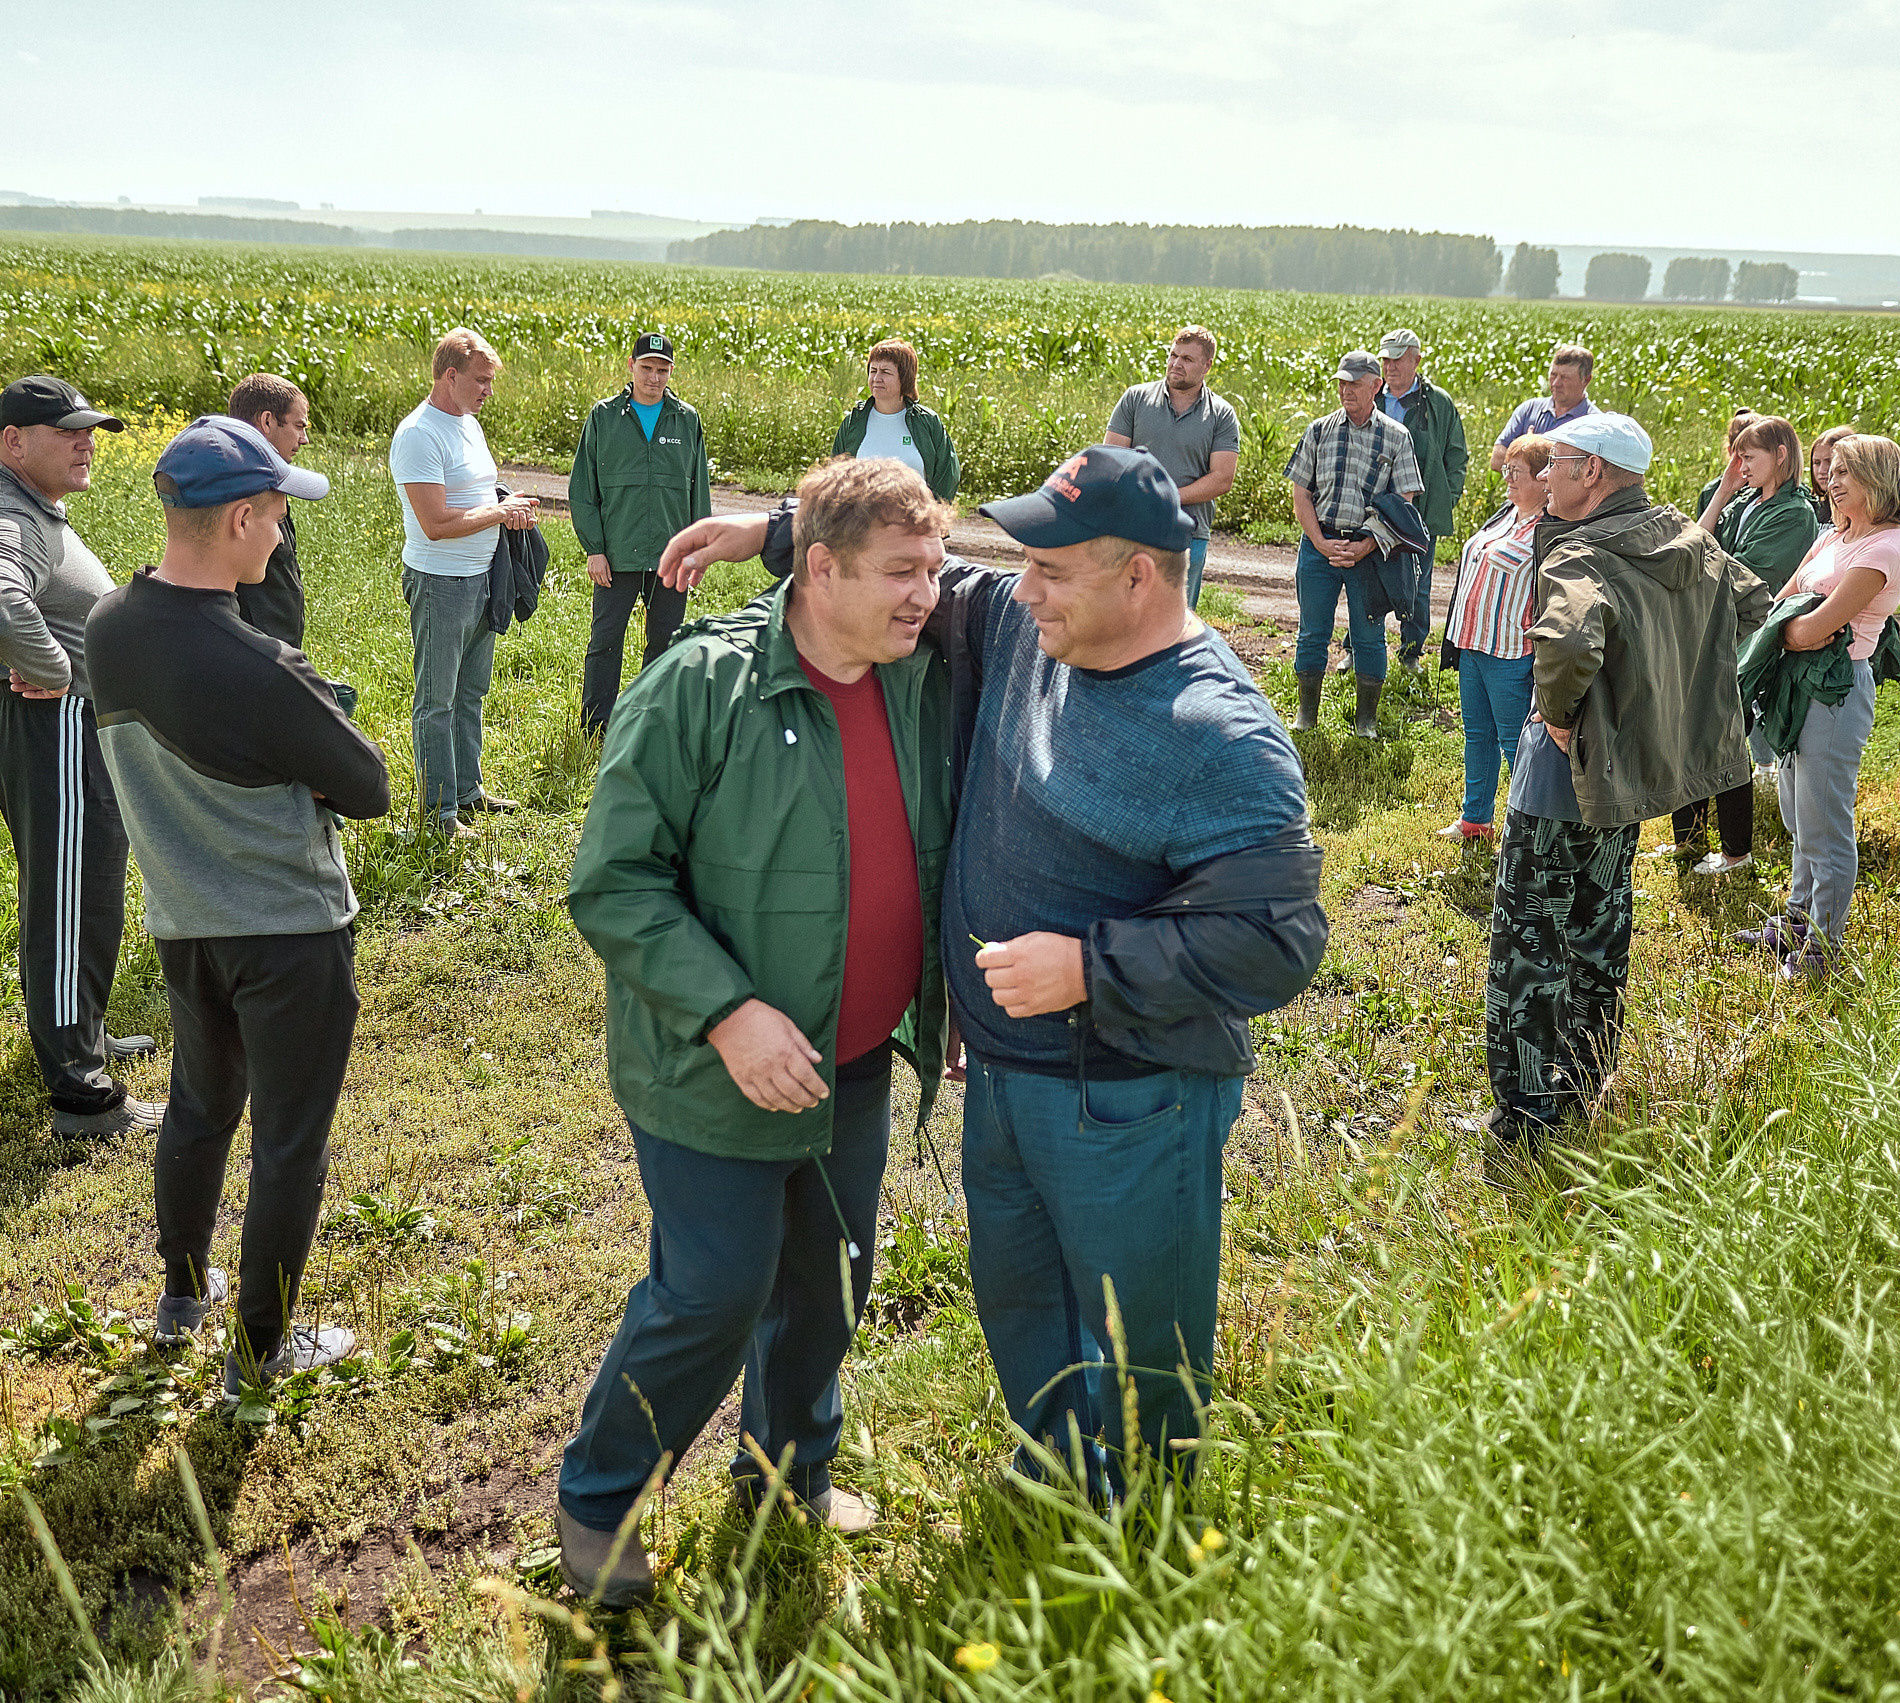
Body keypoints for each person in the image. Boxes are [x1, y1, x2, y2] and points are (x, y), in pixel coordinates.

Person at [654, 445, 1326, 1504]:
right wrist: (772, 530)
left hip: (1128, 1090)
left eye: (1051, 569)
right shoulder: (1034, 625)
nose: (1020, 588)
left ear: (1139, 577)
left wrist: (1090, 966)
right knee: (1021, 1300)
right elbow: (932, 576)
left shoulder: (1218, 734)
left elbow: (1281, 940)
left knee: (1133, 1327)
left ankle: (1144, 1525)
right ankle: (1055, 1469)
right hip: (1008, 1075)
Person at [558, 459, 958, 1606]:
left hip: (855, 1061)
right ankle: (602, 1496)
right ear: (817, 570)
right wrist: (731, 1012)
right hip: (711, 1063)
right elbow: (615, 882)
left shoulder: (916, 677)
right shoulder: (700, 687)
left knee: (828, 1280)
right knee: (715, 1289)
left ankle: (788, 1468)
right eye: (900, 572)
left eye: (932, 568)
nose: (924, 592)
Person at [82, 417, 385, 1391]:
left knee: (202, 1108)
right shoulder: (259, 664)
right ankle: (259, 1350)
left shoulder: (110, 627)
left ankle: (180, 1295)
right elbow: (369, 784)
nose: (284, 531)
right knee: (290, 1135)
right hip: (289, 933)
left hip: (183, 920)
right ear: (244, 517)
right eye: (280, 513)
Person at [1486, 413, 1768, 1182]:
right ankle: (1582, 1086)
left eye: (1560, 463)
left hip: (1560, 781)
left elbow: (1571, 645)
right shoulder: (1681, 533)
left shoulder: (1580, 549)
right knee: (1599, 935)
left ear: (1597, 474)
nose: (1545, 475)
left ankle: (1523, 1114)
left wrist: (1558, 716)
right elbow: (1754, 602)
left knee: (1528, 948)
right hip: (1630, 781)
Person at [0, 376, 159, 1138]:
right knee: (70, 906)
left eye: (89, 429)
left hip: (61, 725)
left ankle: (82, 1035)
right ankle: (82, 1093)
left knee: (77, 892)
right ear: (12, 441)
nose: (85, 442)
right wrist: (57, 669)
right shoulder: (1, 512)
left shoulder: (21, 502)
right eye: (67, 431)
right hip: (54, 723)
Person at [1732, 435, 1900, 981]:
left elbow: (1814, 626)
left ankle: (1819, 951)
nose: (1831, 483)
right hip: (1796, 683)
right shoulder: (1835, 535)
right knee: (1796, 813)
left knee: (1825, 825)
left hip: (1835, 691)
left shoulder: (1885, 547)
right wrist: (1788, 628)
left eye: (1845, 475)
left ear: (1877, 480)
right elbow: (1784, 601)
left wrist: (1783, 631)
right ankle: (1794, 920)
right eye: (1830, 472)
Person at [391, 328, 540, 836]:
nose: (488, 392)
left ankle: (468, 793)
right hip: (440, 582)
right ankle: (438, 816)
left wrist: (507, 506)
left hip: (482, 577)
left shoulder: (467, 423)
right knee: (437, 701)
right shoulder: (419, 435)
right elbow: (435, 524)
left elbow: (472, 497)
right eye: (481, 381)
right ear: (449, 376)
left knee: (470, 690)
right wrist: (500, 512)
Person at [1672, 415, 1820, 875]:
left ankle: (1737, 851)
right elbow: (1692, 547)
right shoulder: (1743, 502)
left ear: (1780, 456)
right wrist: (1721, 494)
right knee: (1690, 733)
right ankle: (1689, 839)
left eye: (1749, 457)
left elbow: (1738, 570)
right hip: (1713, 631)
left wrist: (1696, 559)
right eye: (1736, 456)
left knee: (1728, 738)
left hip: (1746, 638)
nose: (1740, 465)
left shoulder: (1795, 514)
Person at [576, 332, 712, 733]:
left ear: (671, 372)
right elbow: (584, 490)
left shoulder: (686, 420)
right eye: (647, 367)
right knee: (605, 641)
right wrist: (594, 549)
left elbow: (698, 491)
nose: (654, 377)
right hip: (616, 555)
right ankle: (596, 727)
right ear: (631, 366)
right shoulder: (604, 417)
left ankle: (651, 725)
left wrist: (697, 550)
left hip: (671, 556)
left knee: (665, 643)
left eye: (663, 369)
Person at [1286, 350, 1425, 736]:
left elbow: (1404, 504)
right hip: (1320, 546)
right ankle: (1306, 717)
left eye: (1355, 383)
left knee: (1369, 635)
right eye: (1341, 383)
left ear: (1376, 386)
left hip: (1370, 553)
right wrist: (1319, 541)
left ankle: (1366, 722)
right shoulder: (1318, 431)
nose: (1346, 390)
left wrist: (1366, 544)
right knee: (1313, 630)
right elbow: (1301, 494)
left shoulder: (1397, 438)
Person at [1436, 433, 1551, 842]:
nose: (1508, 478)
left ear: (1544, 479)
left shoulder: (1550, 531)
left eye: (1516, 472)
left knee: (1513, 744)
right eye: (1507, 470)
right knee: (1477, 736)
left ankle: (1526, 830)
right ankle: (1475, 821)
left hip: (1510, 652)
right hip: (1473, 645)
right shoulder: (1505, 516)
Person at [1104, 325, 1241, 606]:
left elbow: (1222, 478)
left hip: (1189, 533)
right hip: (1132, 528)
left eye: (1187, 359)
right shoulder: (1136, 399)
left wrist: (1169, 498)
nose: (1176, 364)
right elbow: (1112, 460)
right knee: (1124, 613)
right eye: (1173, 355)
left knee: (1176, 622)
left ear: (1207, 366)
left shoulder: (1222, 415)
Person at [1374, 329, 1469, 667]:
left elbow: (1455, 457)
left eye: (1398, 359)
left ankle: (1410, 654)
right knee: (1364, 580)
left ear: (1417, 359)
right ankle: (1358, 649)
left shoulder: (1437, 403)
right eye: (1386, 359)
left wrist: (1446, 499)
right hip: (1372, 511)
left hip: (1420, 515)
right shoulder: (1372, 395)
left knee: (1417, 584)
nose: (1390, 366)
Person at [227, 374, 314, 648]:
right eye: (299, 426)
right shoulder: (242, 489)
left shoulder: (263, 482)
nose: (305, 439)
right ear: (267, 421)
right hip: (255, 652)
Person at [833, 339, 960, 501]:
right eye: (873, 371)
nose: (877, 378)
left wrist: (933, 517)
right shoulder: (853, 422)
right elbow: (835, 477)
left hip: (915, 522)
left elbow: (946, 476)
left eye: (885, 372)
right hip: (863, 524)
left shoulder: (927, 423)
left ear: (904, 378)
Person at [1490, 344, 1595, 471]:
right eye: (1553, 375)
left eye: (1565, 378)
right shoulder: (1528, 410)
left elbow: (1585, 474)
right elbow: (1497, 459)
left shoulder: (1593, 424)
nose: (1556, 383)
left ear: (1586, 380)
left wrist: (1530, 448)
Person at [1804, 425, 1856, 526]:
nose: (1822, 470)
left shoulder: (1858, 511)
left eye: (1829, 461)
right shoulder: (1811, 508)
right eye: (1816, 462)